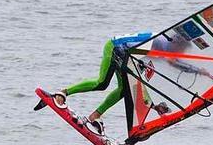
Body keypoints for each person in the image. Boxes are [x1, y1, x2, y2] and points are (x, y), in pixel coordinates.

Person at [35, 33, 167, 135]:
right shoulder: (159, 42)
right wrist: (153, 105)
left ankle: (95, 115)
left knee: (123, 89)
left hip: (124, 54)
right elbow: (133, 63)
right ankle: (63, 93)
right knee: (102, 83)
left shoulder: (167, 45)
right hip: (115, 48)